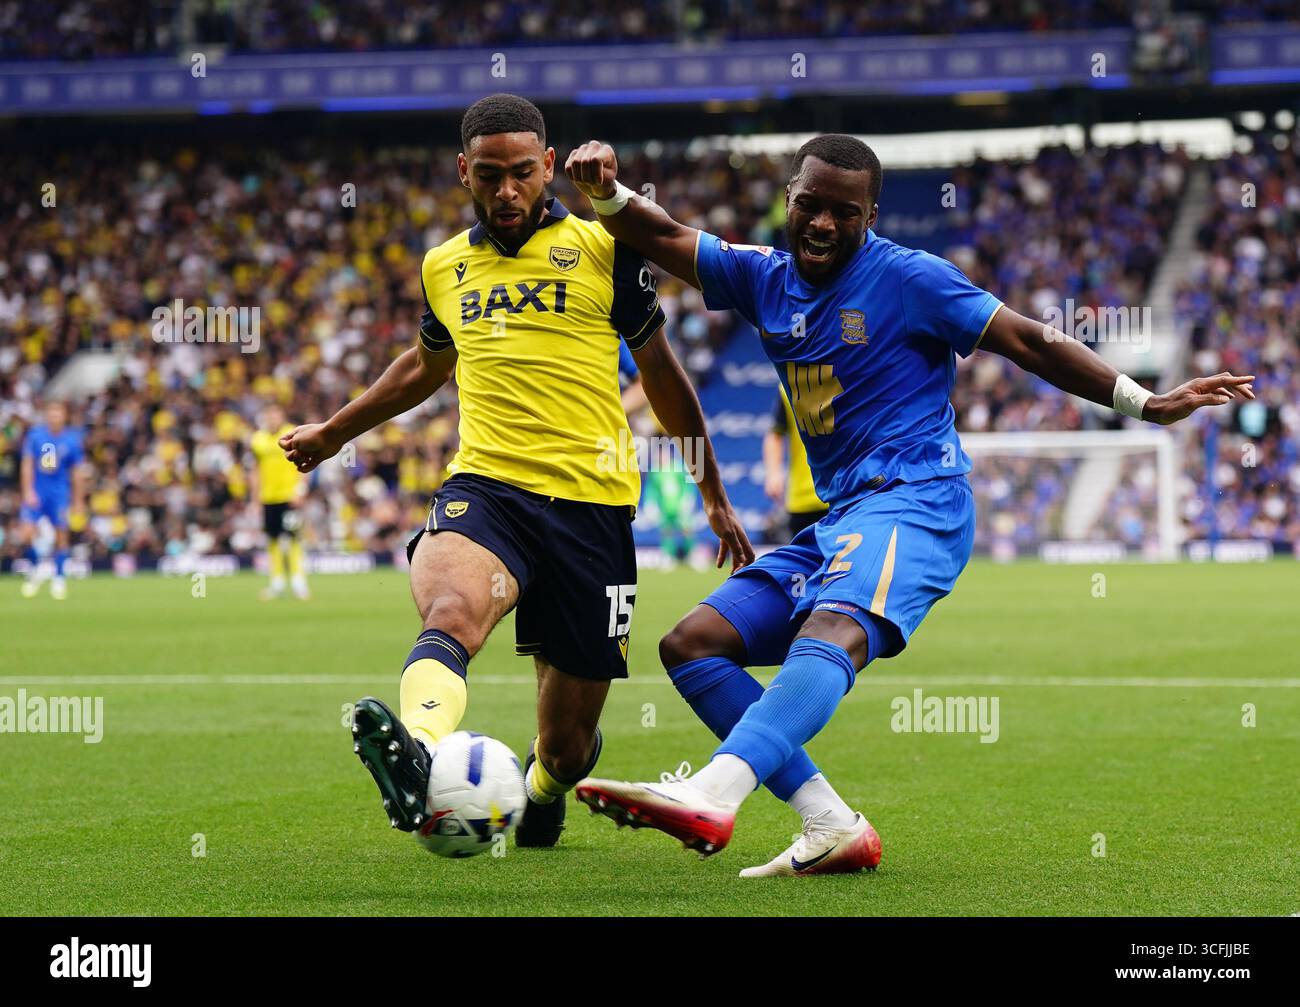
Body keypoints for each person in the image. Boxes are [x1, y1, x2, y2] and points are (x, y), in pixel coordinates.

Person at [564, 133, 1255, 876]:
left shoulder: (912, 279)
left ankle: (715, 789)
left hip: (917, 499)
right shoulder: (762, 278)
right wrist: (604, 192)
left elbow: (1027, 339)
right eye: (810, 204)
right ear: (789, 200)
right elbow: (659, 233)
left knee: (833, 628)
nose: (823, 224)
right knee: (693, 644)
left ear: (872, 216)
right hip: (841, 518)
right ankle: (828, 821)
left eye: (844, 212)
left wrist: (1143, 401)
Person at [279, 94, 752, 850]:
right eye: (490, 175)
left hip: (592, 506)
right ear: (464, 171)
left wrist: (712, 493)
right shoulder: (445, 266)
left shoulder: (606, 248)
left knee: (566, 747)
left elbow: (662, 375)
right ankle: (420, 748)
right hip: (488, 489)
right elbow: (426, 365)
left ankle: (540, 791)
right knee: (452, 613)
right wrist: (336, 432)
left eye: (523, 174)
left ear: (547, 166)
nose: (507, 191)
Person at [18, 401, 85, 601]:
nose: (54, 416)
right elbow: (27, 464)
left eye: (58, 413)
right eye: (51, 413)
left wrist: (78, 500)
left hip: (59, 494)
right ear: (47, 415)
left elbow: (77, 472)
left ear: (64, 416)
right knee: (26, 534)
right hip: (38, 492)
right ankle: (36, 567)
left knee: (61, 536)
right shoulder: (36, 436)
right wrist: (28, 490)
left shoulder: (72, 440)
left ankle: (59, 578)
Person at [249, 404, 310, 601]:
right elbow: (255, 471)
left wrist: (300, 491)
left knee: (293, 538)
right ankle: (277, 583)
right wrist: (255, 499)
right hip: (269, 498)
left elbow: (306, 460)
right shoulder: (257, 440)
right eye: (269, 416)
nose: (272, 419)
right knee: (273, 539)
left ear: (282, 416)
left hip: (289, 497)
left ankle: (299, 582)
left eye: (275, 415)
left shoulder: (293, 434)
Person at [764, 389, 828, 539]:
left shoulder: (849, 374)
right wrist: (773, 473)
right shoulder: (787, 385)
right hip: (803, 499)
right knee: (808, 560)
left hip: (844, 492)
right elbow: (776, 432)